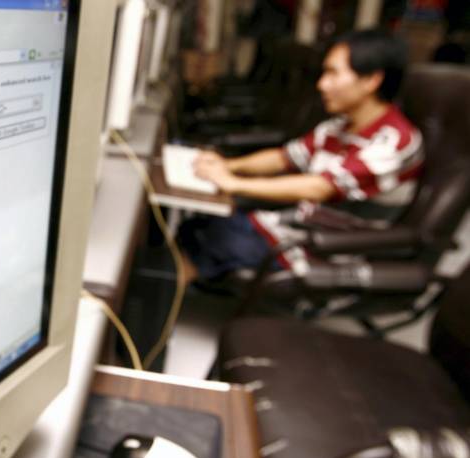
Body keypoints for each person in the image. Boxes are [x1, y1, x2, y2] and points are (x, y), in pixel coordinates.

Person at [178, 29, 423, 282]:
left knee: (215, 236)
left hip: (328, 250)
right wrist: (228, 165)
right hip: (296, 227)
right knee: (198, 226)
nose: (322, 84)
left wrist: (233, 183)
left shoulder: (394, 141)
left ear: (371, 80)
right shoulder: (338, 127)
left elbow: (320, 187)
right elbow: (284, 157)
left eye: (333, 73)